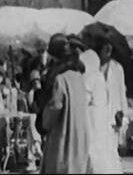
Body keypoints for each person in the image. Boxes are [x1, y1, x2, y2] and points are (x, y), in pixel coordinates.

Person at [40, 34, 90, 174]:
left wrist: (44, 123)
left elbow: (56, 106)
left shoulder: (60, 79)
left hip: (63, 136)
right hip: (80, 135)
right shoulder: (79, 76)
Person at [81, 49, 123, 173]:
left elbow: (85, 98)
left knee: (92, 149)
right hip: (102, 117)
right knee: (105, 149)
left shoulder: (90, 78)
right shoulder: (99, 76)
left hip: (92, 117)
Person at [98, 37, 128, 150]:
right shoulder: (94, 67)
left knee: (113, 141)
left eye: (110, 45)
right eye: (105, 45)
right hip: (99, 109)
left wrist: (123, 112)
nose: (108, 47)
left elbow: (122, 90)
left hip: (114, 110)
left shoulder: (117, 68)